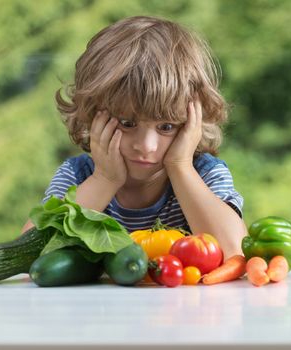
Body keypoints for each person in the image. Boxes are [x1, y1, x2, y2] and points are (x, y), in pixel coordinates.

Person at [22, 16, 246, 259]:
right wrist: (105, 179)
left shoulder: (204, 174)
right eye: (127, 123)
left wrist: (180, 167)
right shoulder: (77, 177)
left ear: (193, 121)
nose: (146, 146)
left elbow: (235, 252)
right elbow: (29, 256)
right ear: (92, 114)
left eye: (167, 126)